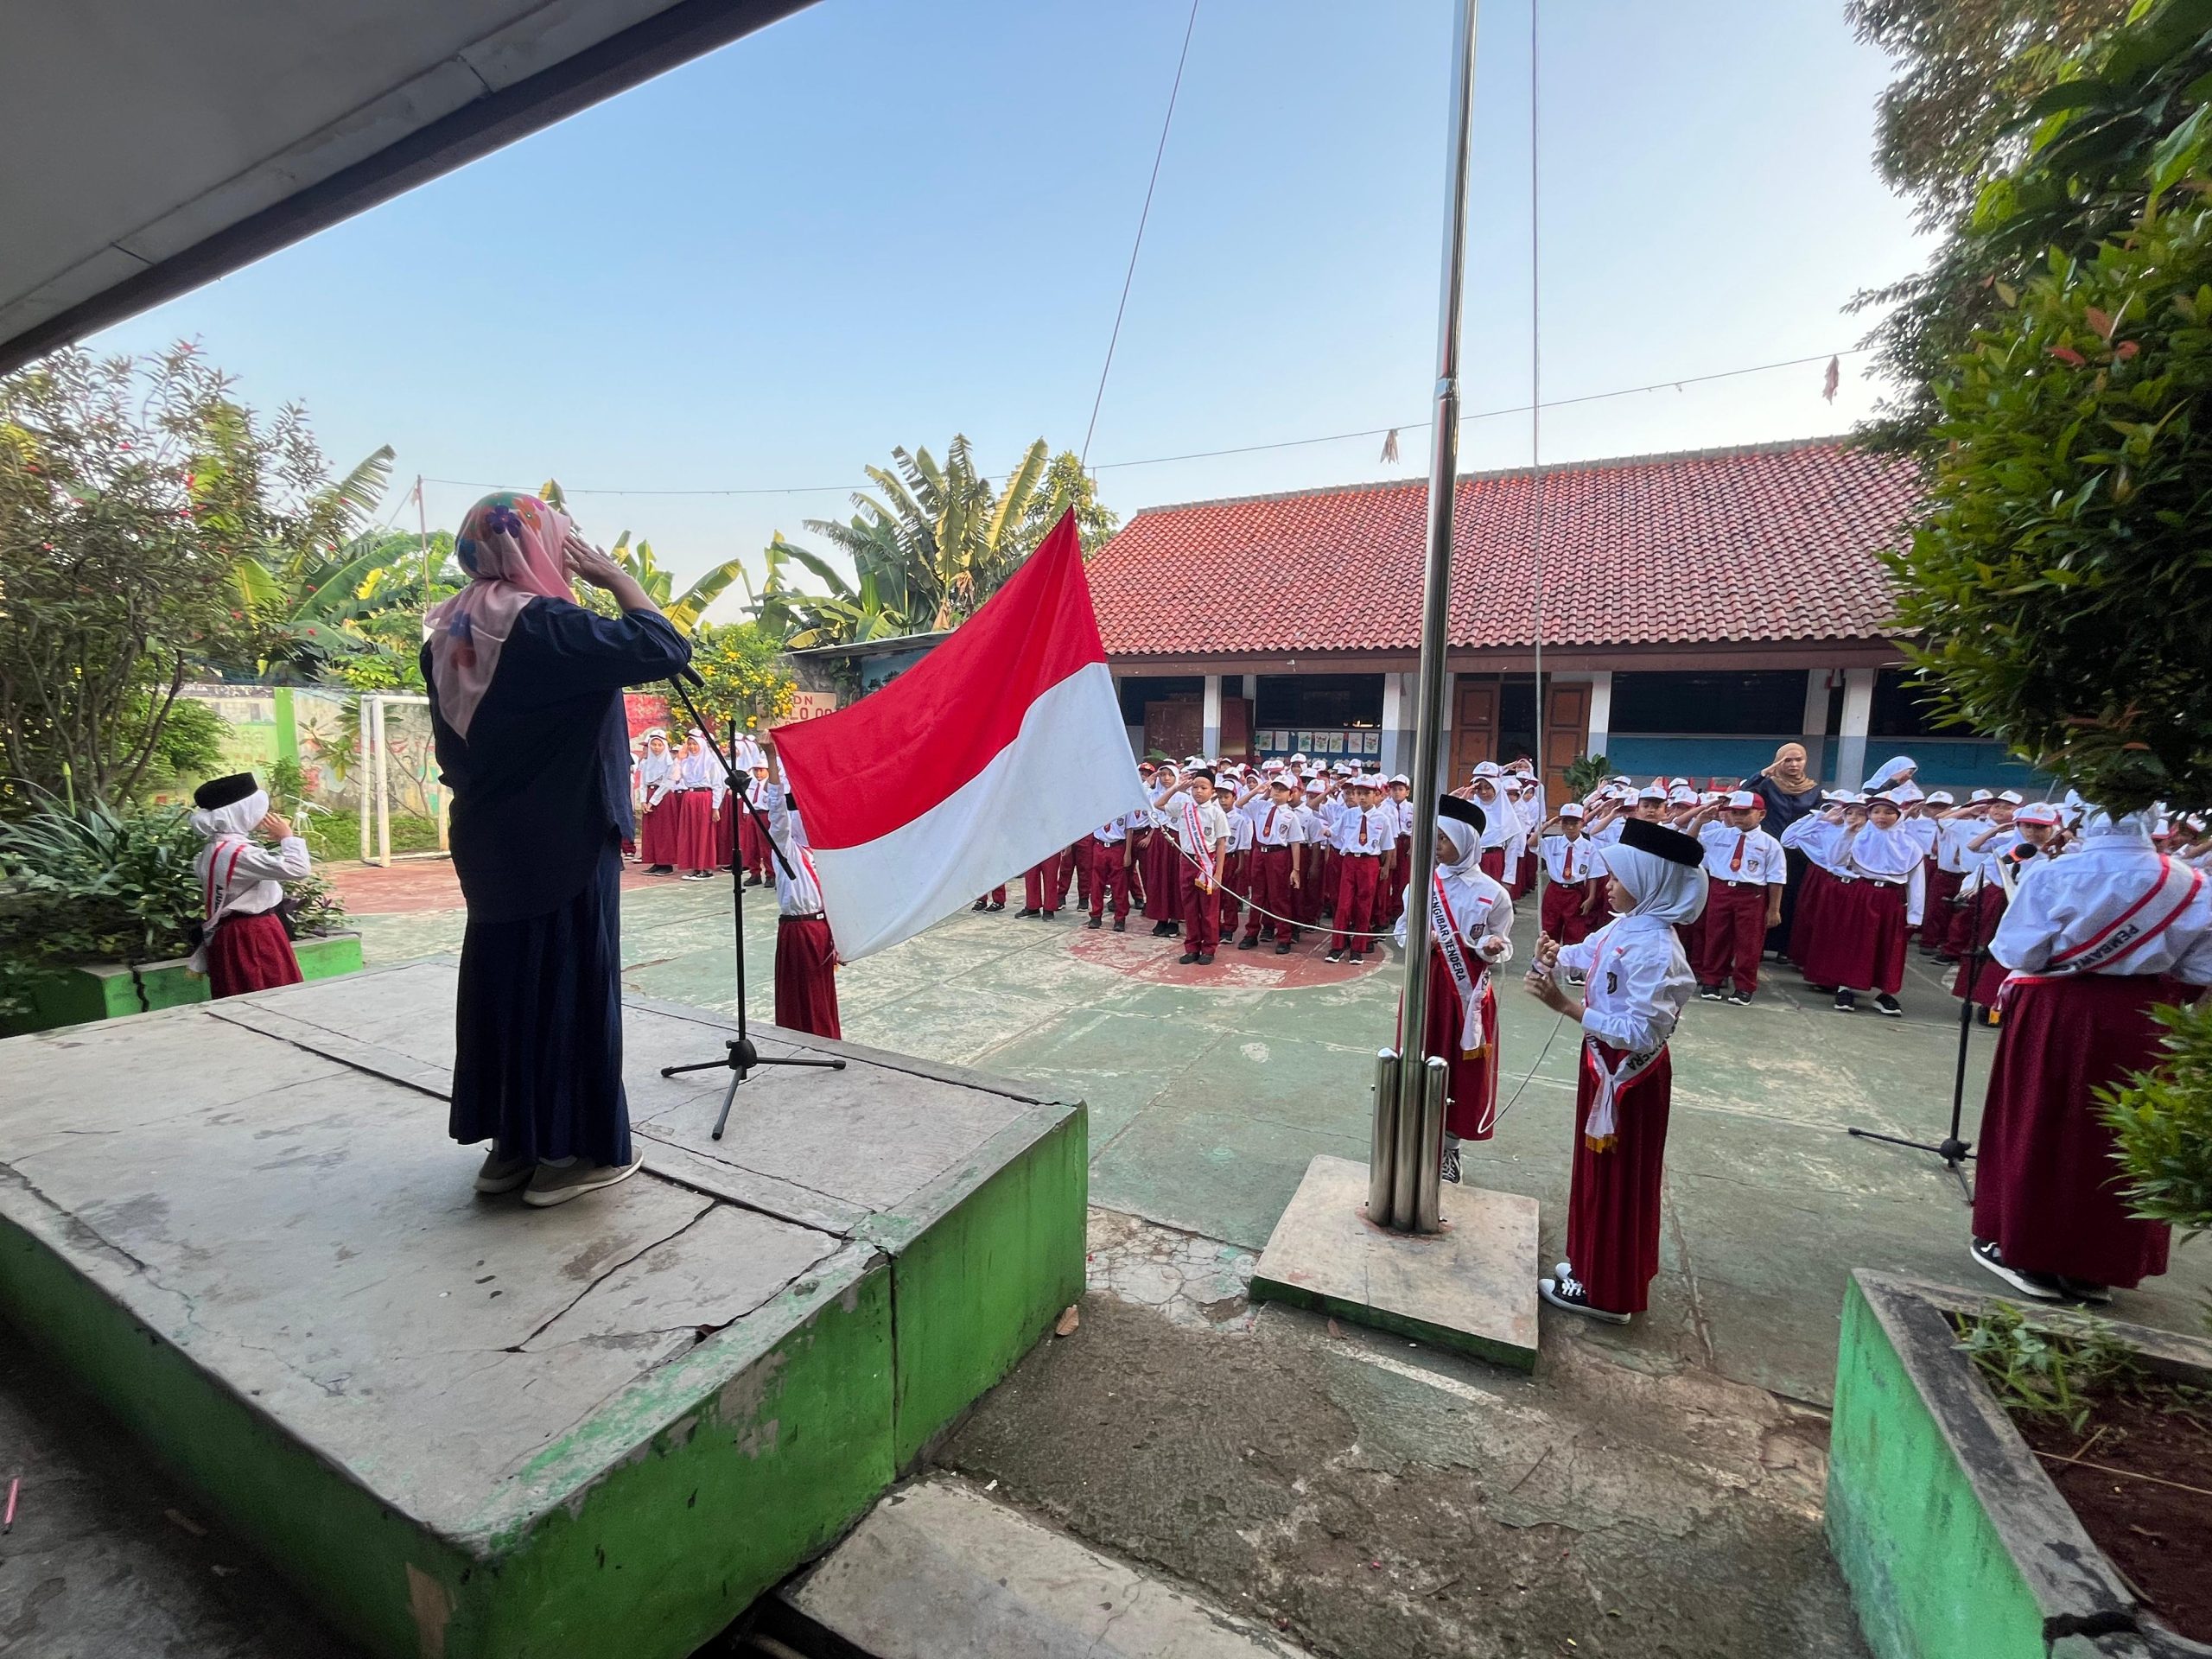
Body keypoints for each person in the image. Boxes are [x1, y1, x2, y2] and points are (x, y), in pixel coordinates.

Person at [423, 490, 689, 1207]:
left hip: (489, 840)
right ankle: (572, 1154)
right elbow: (663, 647)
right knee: (572, 987)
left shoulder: (447, 631)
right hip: (565, 837)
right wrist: (617, 581)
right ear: (534, 546)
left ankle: (512, 1148)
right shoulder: (542, 624)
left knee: (509, 986)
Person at [1969, 806, 2212, 1302]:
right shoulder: (2193, 883)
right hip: (2148, 1014)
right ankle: (2096, 1264)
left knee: (2043, 1118)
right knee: (2122, 1131)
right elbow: (2199, 970)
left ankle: (2028, 1253)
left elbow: (2020, 953)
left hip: (2059, 1008)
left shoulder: (2057, 873)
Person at [1524, 818, 1704, 1324]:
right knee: (1597, 1174)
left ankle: (1608, 1291)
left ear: (1649, 883)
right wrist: (1557, 957)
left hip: (1628, 1081)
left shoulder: (1658, 949)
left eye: (1618, 878)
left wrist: (1568, 1007)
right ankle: (1590, 1265)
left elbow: (1643, 1033)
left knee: (1620, 1181)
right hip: (1604, 1066)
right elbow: (1590, 956)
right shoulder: (1630, 925)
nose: (1608, 885)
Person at [1397, 796, 1515, 1182]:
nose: (1437, 847)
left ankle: (1450, 1149)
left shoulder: (1493, 892)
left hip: (1467, 996)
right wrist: (1418, 939)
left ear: (1465, 842)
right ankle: (1412, 1141)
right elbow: (1401, 931)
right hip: (1426, 987)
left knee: (1461, 1072)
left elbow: (1502, 940)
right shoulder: (1422, 884)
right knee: (1417, 1058)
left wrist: (1494, 948)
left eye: (1445, 840)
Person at [188, 772, 310, 998]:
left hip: (230, 934)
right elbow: (298, 868)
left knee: (240, 994)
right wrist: (287, 837)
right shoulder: (240, 854)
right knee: (268, 994)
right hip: (254, 935)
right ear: (242, 812)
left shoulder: (214, 849)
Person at [1802, 793, 1923, 1015]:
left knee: (1889, 946)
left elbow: (1916, 882)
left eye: (1888, 812)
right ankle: (1845, 987)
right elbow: (1835, 860)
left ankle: (1886, 994)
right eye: (1876, 811)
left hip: (1891, 898)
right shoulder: (1858, 837)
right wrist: (1847, 834)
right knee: (1854, 941)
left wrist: (1915, 915)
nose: (1881, 817)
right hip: (1861, 893)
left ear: (1898, 815)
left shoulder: (1910, 845)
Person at [760, 779, 840, 1038]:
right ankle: (801, 1039)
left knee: (820, 994)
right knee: (802, 994)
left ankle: (827, 1040)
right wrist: (772, 759)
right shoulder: (787, 852)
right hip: (799, 929)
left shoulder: (819, 856)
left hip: (820, 930)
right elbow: (778, 817)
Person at [1691, 790, 1786, 1004]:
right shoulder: (1719, 835)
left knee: (1749, 942)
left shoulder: (1769, 844)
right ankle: (1712, 980)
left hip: (1751, 894)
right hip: (1721, 889)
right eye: (1734, 812)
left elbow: (1777, 878)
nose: (1738, 817)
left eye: (1745, 812)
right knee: (1716, 937)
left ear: (1761, 814)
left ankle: (1744, 986)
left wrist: (1774, 909)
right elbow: (1689, 842)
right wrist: (1699, 821)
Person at [1742, 742, 1826, 956]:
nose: (1794, 764)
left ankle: (1784, 948)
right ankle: (1758, 945)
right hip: (1767, 847)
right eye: (1787, 760)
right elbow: (1744, 794)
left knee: (1792, 896)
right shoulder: (1768, 785)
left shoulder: (1814, 790)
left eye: (1799, 760)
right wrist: (1763, 773)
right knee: (1762, 895)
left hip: (1797, 853)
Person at [1161, 766, 1231, 965]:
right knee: (1189, 908)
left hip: (1207, 863)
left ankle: (1209, 948)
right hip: (1187, 861)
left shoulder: (1217, 813)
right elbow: (1159, 804)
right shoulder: (1184, 808)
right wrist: (1176, 788)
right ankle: (1192, 947)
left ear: (1213, 791)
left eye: (1204, 787)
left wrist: (1218, 873)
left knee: (1208, 909)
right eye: (1195, 787)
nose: (1198, 791)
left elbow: (1221, 844)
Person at [1327, 775, 1397, 963]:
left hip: (1370, 862)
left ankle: (1358, 948)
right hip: (1350, 860)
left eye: (1367, 793)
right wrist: (1323, 830)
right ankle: (1338, 946)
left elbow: (1388, 845)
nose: (1362, 797)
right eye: (1359, 793)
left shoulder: (1383, 818)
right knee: (1344, 904)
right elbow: (1333, 831)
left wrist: (1385, 867)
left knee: (1364, 905)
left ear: (1376, 795)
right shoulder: (1348, 814)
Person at [1537, 802, 1605, 945]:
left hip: (1576, 892)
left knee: (1575, 929)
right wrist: (1548, 824)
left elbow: (1593, 874)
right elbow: (1531, 843)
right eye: (1565, 822)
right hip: (1555, 890)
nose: (1570, 827)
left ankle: (1571, 963)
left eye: (1575, 823)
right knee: (1550, 927)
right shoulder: (1552, 842)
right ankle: (1545, 960)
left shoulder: (1589, 847)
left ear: (1582, 823)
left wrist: (1591, 897)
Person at [1084, 810, 1142, 931]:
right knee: (1096, 883)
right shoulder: (1097, 804)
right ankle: (1095, 915)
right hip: (1099, 846)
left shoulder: (1126, 806)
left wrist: (1127, 853)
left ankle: (1120, 918)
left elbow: (1129, 830)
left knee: (1119, 885)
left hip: (1117, 846)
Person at [635, 729, 679, 874]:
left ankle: (666, 863)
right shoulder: (647, 763)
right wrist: (643, 800)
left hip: (663, 798)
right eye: (653, 744)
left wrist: (653, 801)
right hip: (649, 796)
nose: (656, 747)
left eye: (659, 745)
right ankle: (655, 861)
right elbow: (643, 783)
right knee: (651, 831)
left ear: (664, 746)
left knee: (664, 830)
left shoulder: (669, 763)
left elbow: (667, 783)